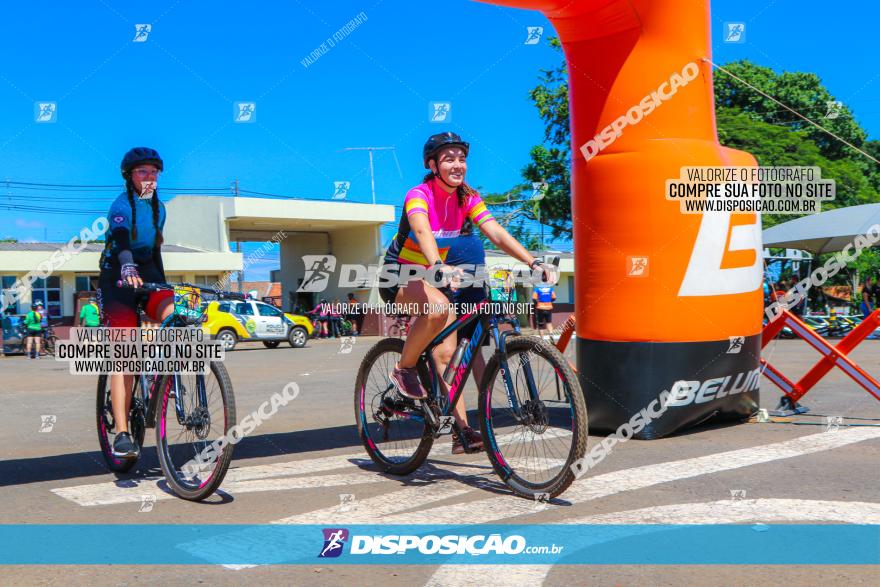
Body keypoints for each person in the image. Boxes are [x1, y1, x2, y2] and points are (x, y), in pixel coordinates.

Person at [378, 132, 553, 452]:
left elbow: (496, 233)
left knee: (446, 354)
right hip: (400, 274)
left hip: (434, 278)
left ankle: (461, 430)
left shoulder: (467, 198)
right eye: (449, 159)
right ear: (432, 165)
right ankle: (403, 369)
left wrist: (533, 261)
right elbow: (422, 230)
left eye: (462, 158)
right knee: (437, 308)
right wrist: (436, 265)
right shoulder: (419, 194)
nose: (458, 164)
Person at [97, 147, 175, 459]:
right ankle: (122, 432)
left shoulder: (161, 209)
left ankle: (162, 375)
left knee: (175, 316)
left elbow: (155, 251)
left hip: (149, 271)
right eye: (143, 172)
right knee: (126, 354)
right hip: (116, 272)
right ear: (130, 177)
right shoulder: (120, 204)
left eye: (153, 172)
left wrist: (166, 287)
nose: (150, 177)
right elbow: (120, 239)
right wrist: (127, 266)